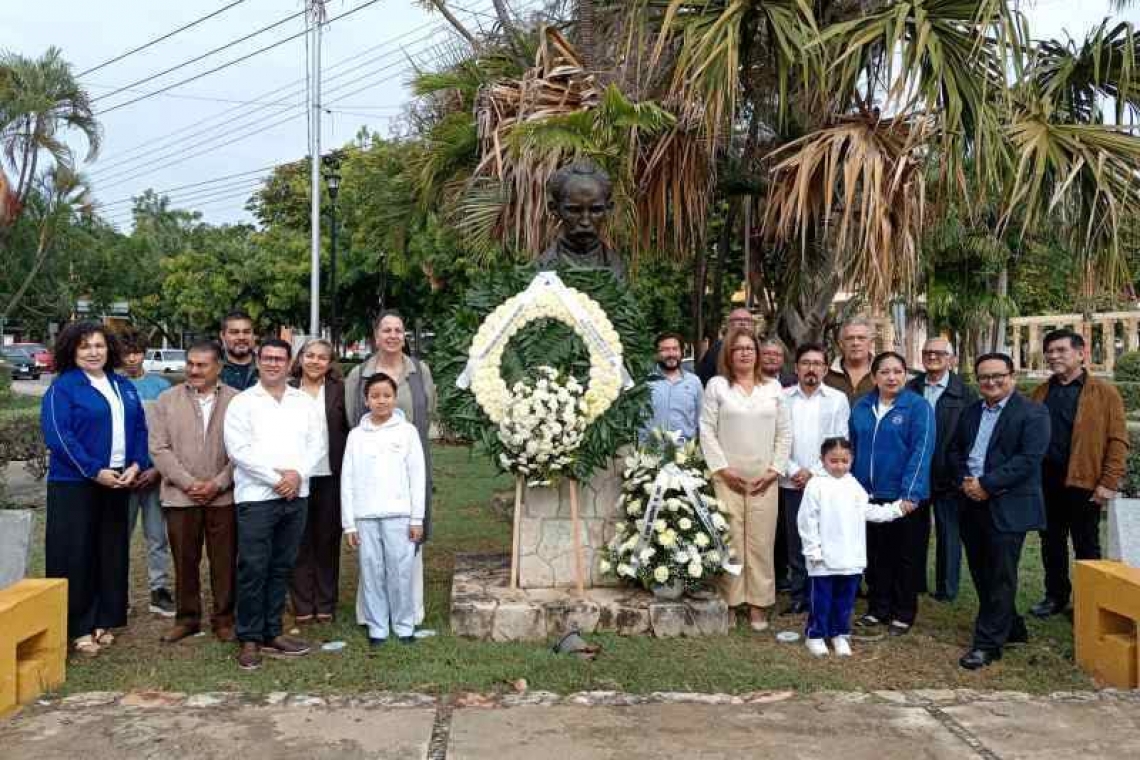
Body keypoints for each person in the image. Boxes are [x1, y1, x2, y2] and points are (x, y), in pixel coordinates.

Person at [41, 321, 149, 656]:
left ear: (109, 349)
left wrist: (136, 464)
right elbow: (59, 436)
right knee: (76, 553)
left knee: (110, 551)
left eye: (99, 345)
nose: (93, 352)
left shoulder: (122, 385)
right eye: (85, 346)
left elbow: (140, 428)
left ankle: (104, 618)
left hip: (117, 481)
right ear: (72, 351)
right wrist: (92, 470)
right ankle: (78, 626)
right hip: (75, 484)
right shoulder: (64, 388)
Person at [223, 338, 326, 671]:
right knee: (253, 567)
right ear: (258, 361)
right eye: (267, 358)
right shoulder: (242, 403)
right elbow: (238, 450)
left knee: (282, 565)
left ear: (289, 362)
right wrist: (275, 479)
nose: (272, 364)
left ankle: (273, 631)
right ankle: (249, 637)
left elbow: (317, 444)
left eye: (279, 359)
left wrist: (297, 475)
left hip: (296, 495)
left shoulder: (303, 402)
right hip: (257, 497)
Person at [950, 353, 1050, 669]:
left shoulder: (1033, 413)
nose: (991, 382)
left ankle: (987, 644)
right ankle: (1013, 627)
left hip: (1008, 504)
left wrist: (987, 484)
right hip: (971, 502)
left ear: (1012, 376)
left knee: (1000, 574)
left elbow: (1028, 460)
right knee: (981, 571)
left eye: (998, 376)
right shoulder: (970, 412)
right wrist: (965, 481)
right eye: (984, 377)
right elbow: (955, 451)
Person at [344, 310, 436, 628]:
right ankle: (372, 614)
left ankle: (410, 611)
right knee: (371, 553)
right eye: (387, 330)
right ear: (376, 335)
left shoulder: (419, 371)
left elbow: (428, 412)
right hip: (371, 473)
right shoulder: (359, 374)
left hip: (409, 465)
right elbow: (352, 418)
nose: (393, 335)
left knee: (410, 538)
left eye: (398, 330)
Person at [1028, 328, 1129, 618]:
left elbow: (1118, 440)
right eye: (1049, 351)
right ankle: (1055, 596)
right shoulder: (1040, 392)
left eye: (1061, 350)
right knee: (1051, 543)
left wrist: (1108, 482)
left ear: (1081, 353)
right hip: (1046, 483)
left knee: (1086, 545)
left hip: (1084, 483)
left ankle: (1088, 603)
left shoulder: (1104, 392)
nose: (1053, 356)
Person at [700, 326, 791, 631]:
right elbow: (707, 430)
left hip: (764, 479)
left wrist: (774, 470)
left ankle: (758, 604)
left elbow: (784, 433)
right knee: (731, 541)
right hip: (727, 478)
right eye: (738, 348)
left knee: (761, 543)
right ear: (729, 353)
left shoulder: (773, 388)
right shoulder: (717, 386)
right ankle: (732, 601)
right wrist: (722, 469)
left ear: (758, 353)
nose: (744, 353)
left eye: (749, 348)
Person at [149, 341, 239, 643]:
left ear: (218, 367)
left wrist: (218, 483)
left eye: (202, 365)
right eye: (190, 364)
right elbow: (158, 448)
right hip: (180, 497)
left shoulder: (238, 401)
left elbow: (244, 450)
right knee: (184, 561)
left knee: (224, 561)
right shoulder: (167, 400)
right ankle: (187, 619)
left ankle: (224, 619)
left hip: (223, 497)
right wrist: (188, 483)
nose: (194, 370)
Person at [798, 437, 910, 657]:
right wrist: (813, 550)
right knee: (822, 599)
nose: (839, 466)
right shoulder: (816, 485)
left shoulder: (854, 485)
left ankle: (839, 633)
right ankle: (816, 635)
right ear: (822, 460)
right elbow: (806, 521)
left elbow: (868, 511)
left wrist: (897, 509)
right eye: (833, 461)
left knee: (845, 600)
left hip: (851, 557)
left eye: (845, 461)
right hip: (823, 558)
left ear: (852, 460)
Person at [849, 351, 934, 637]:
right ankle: (878, 608)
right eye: (884, 372)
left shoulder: (918, 407)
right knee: (876, 555)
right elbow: (852, 449)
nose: (892, 377)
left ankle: (903, 612)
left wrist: (911, 493)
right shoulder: (862, 407)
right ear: (874, 377)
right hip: (868, 495)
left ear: (905, 375)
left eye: (898, 371)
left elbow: (922, 450)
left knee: (905, 556)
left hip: (904, 497)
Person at [341, 373, 427, 646]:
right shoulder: (356, 436)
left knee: (401, 571)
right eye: (375, 396)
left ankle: (404, 625)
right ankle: (377, 627)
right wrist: (349, 523)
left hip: (399, 515)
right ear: (366, 400)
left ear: (395, 398)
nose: (381, 401)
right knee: (371, 571)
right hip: (365, 516)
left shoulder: (407, 432)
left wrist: (417, 518)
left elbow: (417, 476)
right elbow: (347, 479)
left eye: (387, 395)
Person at [780, 343, 850, 615]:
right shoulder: (782, 398)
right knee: (796, 540)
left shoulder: (837, 399)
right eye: (806, 363)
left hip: (824, 481)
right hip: (791, 481)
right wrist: (793, 470)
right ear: (796, 368)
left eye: (817, 364)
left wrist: (813, 471)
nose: (811, 368)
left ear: (825, 369)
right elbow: (776, 439)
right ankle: (799, 595)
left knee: (822, 539)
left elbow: (840, 441)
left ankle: (820, 594)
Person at [906, 337, 977, 602]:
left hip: (949, 475)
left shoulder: (965, 393)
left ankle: (947, 588)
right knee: (915, 531)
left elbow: (971, 434)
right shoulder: (911, 388)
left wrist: (961, 471)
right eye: (927, 352)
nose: (932, 357)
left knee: (949, 532)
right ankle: (915, 582)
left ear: (951, 359)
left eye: (939, 353)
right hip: (916, 472)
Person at [288, 339, 349, 624]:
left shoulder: (340, 390)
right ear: (300, 359)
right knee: (298, 541)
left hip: (330, 476)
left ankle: (325, 603)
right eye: (309, 355)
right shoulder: (287, 389)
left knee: (327, 540)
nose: (315, 361)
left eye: (322, 357)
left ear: (329, 362)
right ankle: (302, 604)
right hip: (296, 477)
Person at [118, 328, 174, 617]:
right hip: (121, 476)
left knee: (157, 535)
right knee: (119, 538)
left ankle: (159, 589)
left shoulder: (160, 386)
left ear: (144, 353)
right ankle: (118, 594)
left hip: (154, 474)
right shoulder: (112, 385)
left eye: (137, 352)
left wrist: (156, 469)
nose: (132, 359)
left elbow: (169, 433)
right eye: (126, 353)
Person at [535, 159, 626, 281]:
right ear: (555, 209)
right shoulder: (542, 268)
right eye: (574, 210)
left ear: (608, 209)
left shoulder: (616, 267)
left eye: (595, 210)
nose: (585, 222)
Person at [643, 331, 703, 442]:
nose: (671, 354)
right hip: (650, 450)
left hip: (684, 450)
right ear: (656, 354)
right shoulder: (645, 382)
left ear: (681, 352)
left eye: (675, 349)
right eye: (665, 350)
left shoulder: (694, 382)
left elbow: (701, 420)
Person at [696, 308, 753, 387]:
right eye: (738, 320)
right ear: (729, 325)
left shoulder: (759, 348)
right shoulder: (716, 349)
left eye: (747, 320)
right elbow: (704, 377)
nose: (743, 323)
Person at [825, 317, 876, 402]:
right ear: (841, 344)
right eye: (850, 338)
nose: (855, 343)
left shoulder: (884, 372)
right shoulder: (826, 374)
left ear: (871, 343)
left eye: (861, 338)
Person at [219, 309, 258, 390]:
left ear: (254, 335)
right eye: (234, 332)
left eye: (246, 332)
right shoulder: (212, 368)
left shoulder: (266, 366)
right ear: (222, 336)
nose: (241, 337)